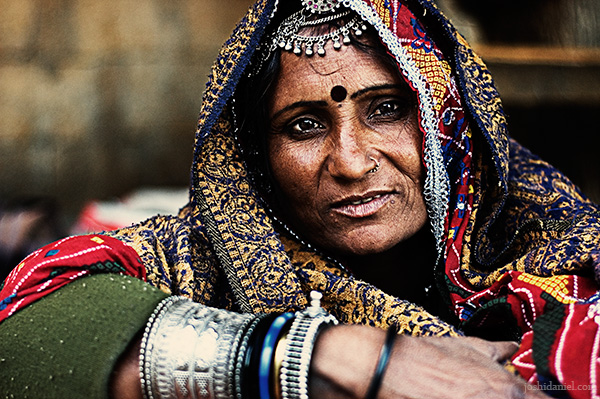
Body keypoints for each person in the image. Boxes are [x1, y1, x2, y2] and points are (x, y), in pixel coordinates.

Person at [1, 0, 599, 398]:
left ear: (449, 123)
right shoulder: (206, 256)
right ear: (255, 158)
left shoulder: (549, 240)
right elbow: (25, 335)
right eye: (304, 125)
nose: (352, 161)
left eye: (387, 110)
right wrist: (338, 359)